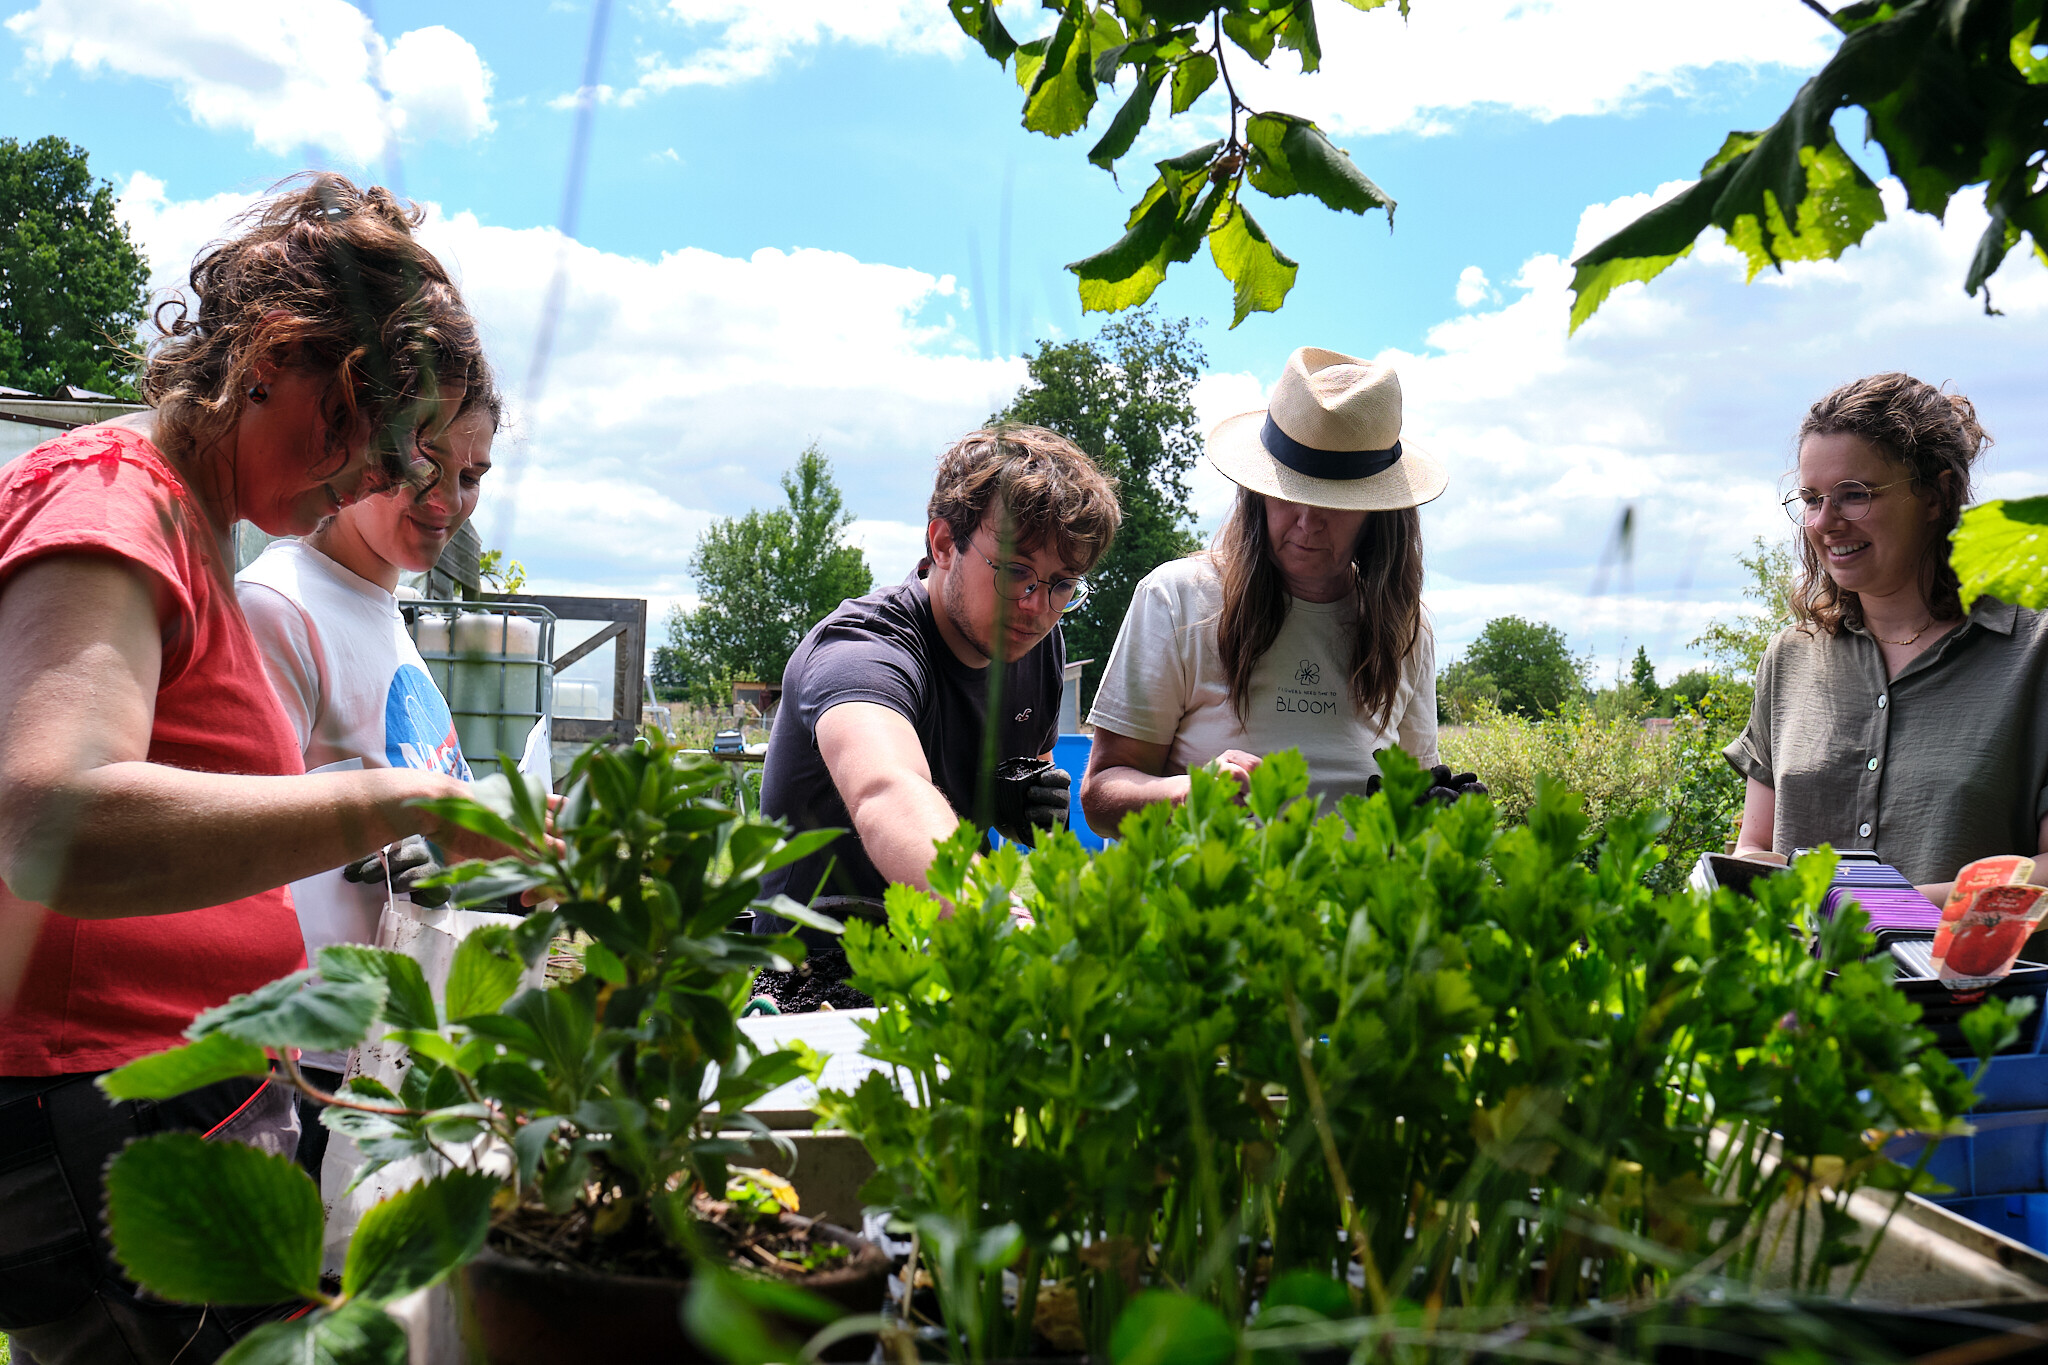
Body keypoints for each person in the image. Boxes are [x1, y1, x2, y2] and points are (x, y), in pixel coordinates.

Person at [0, 174, 508, 1365]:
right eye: (365, 437)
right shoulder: (113, 500)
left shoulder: (187, 516)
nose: (378, 483)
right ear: (274, 354)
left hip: (158, 1104)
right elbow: (48, 822)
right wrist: (400, 798)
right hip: (104, 1115)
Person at [234, 376, 501, 1180]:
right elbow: (236, 836)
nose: (447, 498)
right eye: (425, 462)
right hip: (307, 1073)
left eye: (472, 475)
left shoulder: (385, 614)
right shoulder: (279, 606)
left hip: (383, 1058)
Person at [1082, 347, 1457, 837]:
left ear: (1379, 512)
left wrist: (1434, 811)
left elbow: (1416, 785)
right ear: (1257, 491)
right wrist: (1187, 795)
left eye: (1335, 502)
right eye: (1289, 492)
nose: (1306, 522)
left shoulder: (1407, 628)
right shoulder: (1177, 600)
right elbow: (1100, 798)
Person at [753, 426, 1121, 923]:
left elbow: (1033, 760)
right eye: (1015, 571)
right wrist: (993, 919)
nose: (1036, 606)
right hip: (816, 967)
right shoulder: (861, 650)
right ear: (944, 543)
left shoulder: (1036, 646)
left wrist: (1015, 795)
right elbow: (888, 788)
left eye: (1062, 585)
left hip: (946, 951)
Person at [1728, 373, 2048, 904]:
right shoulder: (1790, 657)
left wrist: (1887, 912)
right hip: (1807, 987)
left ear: (1936, 495)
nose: (1825, 522)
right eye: (1811, 498)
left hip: (1968, 988)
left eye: (1854, 495)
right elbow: (1755, 847)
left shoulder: (2033, 652)